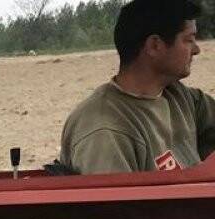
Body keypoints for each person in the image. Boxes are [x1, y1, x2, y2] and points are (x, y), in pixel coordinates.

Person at [61, 0, 215, 174]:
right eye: (189, 40)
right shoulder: (106, 131)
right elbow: (113, 199)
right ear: (154, 46)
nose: (196, 50)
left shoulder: (179, 96)